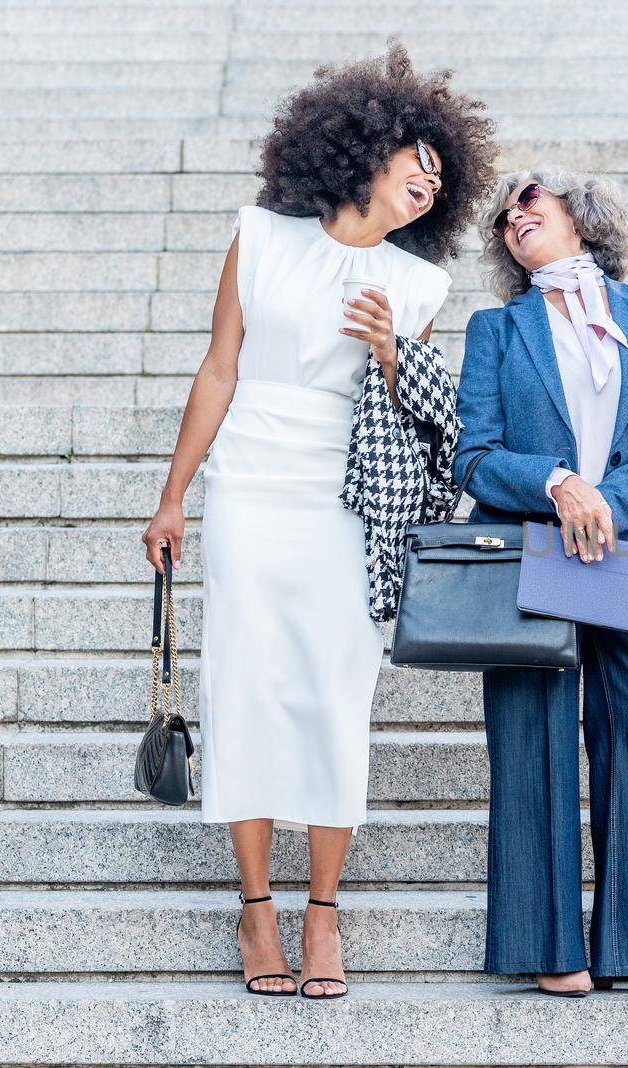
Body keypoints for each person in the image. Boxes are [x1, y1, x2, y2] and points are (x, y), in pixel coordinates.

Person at [140, 43, 496, 1000]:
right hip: (251, 484)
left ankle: (322, 913)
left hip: (343, 503)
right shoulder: (259, 239)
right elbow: (219, 369)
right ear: (362, 153)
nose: (426, 184)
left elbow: (419, 420)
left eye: (438, 178)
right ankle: (256, 908)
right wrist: (174, 495)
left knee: (336, 695)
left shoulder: (416, 288)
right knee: (249, 686)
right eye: (414, 165)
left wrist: (390, 353)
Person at [455, 169, 628, 996]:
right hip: (538, 554)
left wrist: (611, 497)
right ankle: (550, 946)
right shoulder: (497, 328)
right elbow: (475, 456)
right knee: (531, 742)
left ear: (579, 216)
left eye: (530, 202)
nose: (513, 218)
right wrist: (558, 483)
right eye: (503, 218)